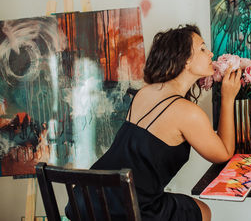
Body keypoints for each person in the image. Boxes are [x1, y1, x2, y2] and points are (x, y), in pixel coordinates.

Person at [65, 24, 241, 221]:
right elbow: (223, 154)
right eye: (202, 49)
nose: (210, 53)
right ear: (185, 61)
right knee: (203, 211)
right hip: (127, 209)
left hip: (87, 199)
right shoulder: (187, 113)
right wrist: (227, 98)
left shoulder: (144, 93)